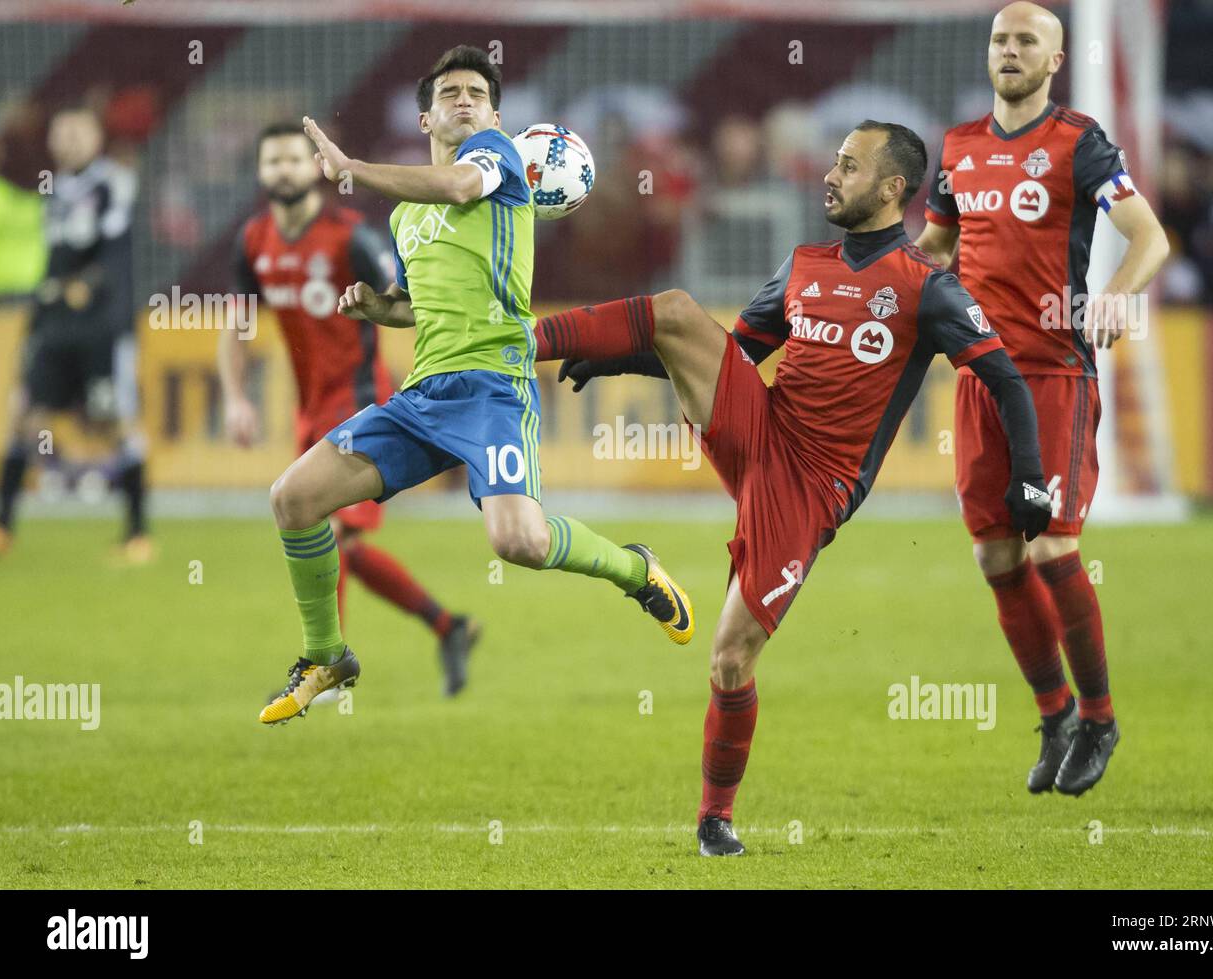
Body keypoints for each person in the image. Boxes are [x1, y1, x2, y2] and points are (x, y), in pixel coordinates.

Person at [539, 121, 1052, 855]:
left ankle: (715, 816)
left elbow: (1004, 377)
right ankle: (532, 340)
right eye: (834, 163)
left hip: (814, 485)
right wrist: (622, 361)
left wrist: (1030, 479)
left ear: (892, 189)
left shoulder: (928, 290)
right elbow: (735, 355)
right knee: (680, 311)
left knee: (728, 658)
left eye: (848, 165)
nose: (829, 175)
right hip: (761, 430)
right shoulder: (804, 265)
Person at [258, 45, 693, 726]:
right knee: (293, 497)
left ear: (495, 116)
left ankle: (634, 569)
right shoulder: (404, 218)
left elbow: (461, 187)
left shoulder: (498, 160)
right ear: (426, 118)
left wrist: (349, 169)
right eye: (450, 94)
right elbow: (417, 303)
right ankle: (327, 655)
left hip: (492, 387)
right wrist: (383, 309)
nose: (464, 101)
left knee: (517, 542)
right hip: (423, 396)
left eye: (477, 93)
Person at [914, 1, 1170, 795]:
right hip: (980, 379)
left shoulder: (1078, 142)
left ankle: (1099, 715)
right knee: (996, 555)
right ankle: (1055, 711)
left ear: (1056, 60)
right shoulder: (957, 148)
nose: (1011, 50)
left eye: (1028, 40)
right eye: (1001, 39)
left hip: (1054, 373)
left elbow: (1150, 237)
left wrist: (1119, 294)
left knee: (1053, 545)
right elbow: (937, 247)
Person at [220, 122, 480, 700]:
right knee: (344, 547)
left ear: (314, 167)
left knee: (327, 527)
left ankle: (328, 665)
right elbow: (236, 326)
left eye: (294, 158)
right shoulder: (254, 240)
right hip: (310, 408)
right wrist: (236, 398)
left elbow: (410, 300)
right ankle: (449, 626)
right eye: (273, 161)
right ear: (261, 173)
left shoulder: (350, 235)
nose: (284, 169)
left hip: (361, 399)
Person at [0, 106, 149, 561]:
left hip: (101, 328)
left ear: (97, 138)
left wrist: (89, 284)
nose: (68, 141)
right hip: (53, 327)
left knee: (116, 421)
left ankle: (137, 534)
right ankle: (3, 527)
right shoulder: (52, 191)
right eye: (61, 133)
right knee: (25, 417)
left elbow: (111, 255)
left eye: (78, 133)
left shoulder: (111, 183)